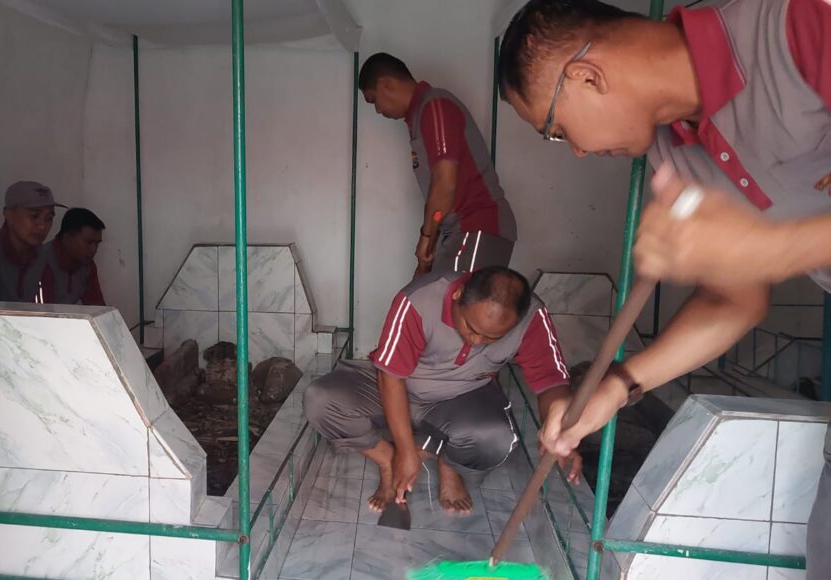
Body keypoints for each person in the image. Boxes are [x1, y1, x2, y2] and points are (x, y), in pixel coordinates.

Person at [498, 0, 831, 576]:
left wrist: (766, 246)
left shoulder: (798, 23)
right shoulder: (673, 153)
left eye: (557, 131)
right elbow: (734, 298)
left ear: (586, 76)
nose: (577, 151)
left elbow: (758, 255)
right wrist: (618, 386)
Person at [303, 266, 580, 515]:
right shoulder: (419, 300)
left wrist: (561, 427)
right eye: (470, 327)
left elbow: (552, 381)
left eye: (491, 337)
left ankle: (448, 464)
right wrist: (405, 452)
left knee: (496, 441)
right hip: (394, 386)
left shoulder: (532, 317)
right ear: (458, 295)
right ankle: (387, 460)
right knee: (320, 400)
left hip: (460, 397)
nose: (476, 341)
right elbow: (391, 377)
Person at [358, 53, 518, 277]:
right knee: (432, 294)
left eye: (373, 100)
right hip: (457, 230)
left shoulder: (434, 105)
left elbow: (444, 183)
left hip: (478, 224)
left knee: (454, 297)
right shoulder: (418, 117)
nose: (378, 110)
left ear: (387, 84)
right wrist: (429, 246)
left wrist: (427, 237)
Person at [48, 208, 106, 305]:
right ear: (66, 238)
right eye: (88, 242)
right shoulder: (40, 263)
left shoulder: (87, 265)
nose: (94, 249)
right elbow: (40, 312)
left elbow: (97, 307)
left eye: (97, 243)